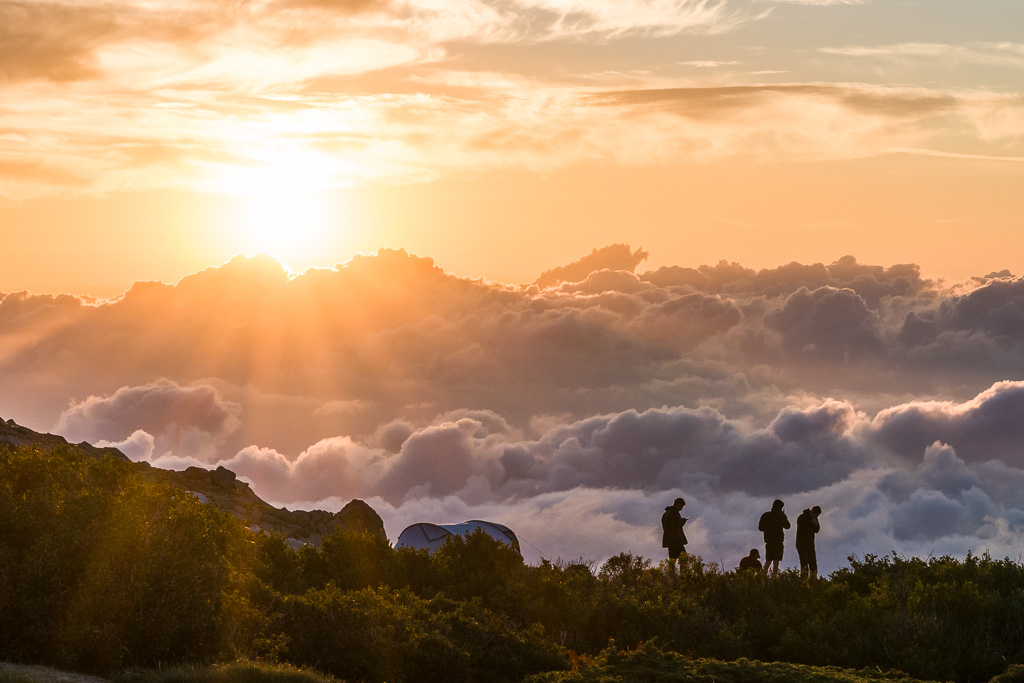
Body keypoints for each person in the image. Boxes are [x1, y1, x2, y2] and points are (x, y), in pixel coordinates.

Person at [757, 499, 790, 576]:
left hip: (769, 540)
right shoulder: (781, 516)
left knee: (768, 560)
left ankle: (763, 577)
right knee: (776, 561)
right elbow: (787, 526)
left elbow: (760, 528)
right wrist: (784, 516)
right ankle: (774, 578)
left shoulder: (765, 515)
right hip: (778, 541)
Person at [796, 505, 822, 579]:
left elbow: (816, 530)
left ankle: (813, 580)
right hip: (801, 543)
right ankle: (804, 580)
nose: (817, 516)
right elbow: (803, 530)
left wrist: (816, 524)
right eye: (816, 514)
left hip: (810, 544)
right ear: (812, 512)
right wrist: (813, 524)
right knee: (804, 562)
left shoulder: (814, 518)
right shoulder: (802, 517)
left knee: (813, 563)